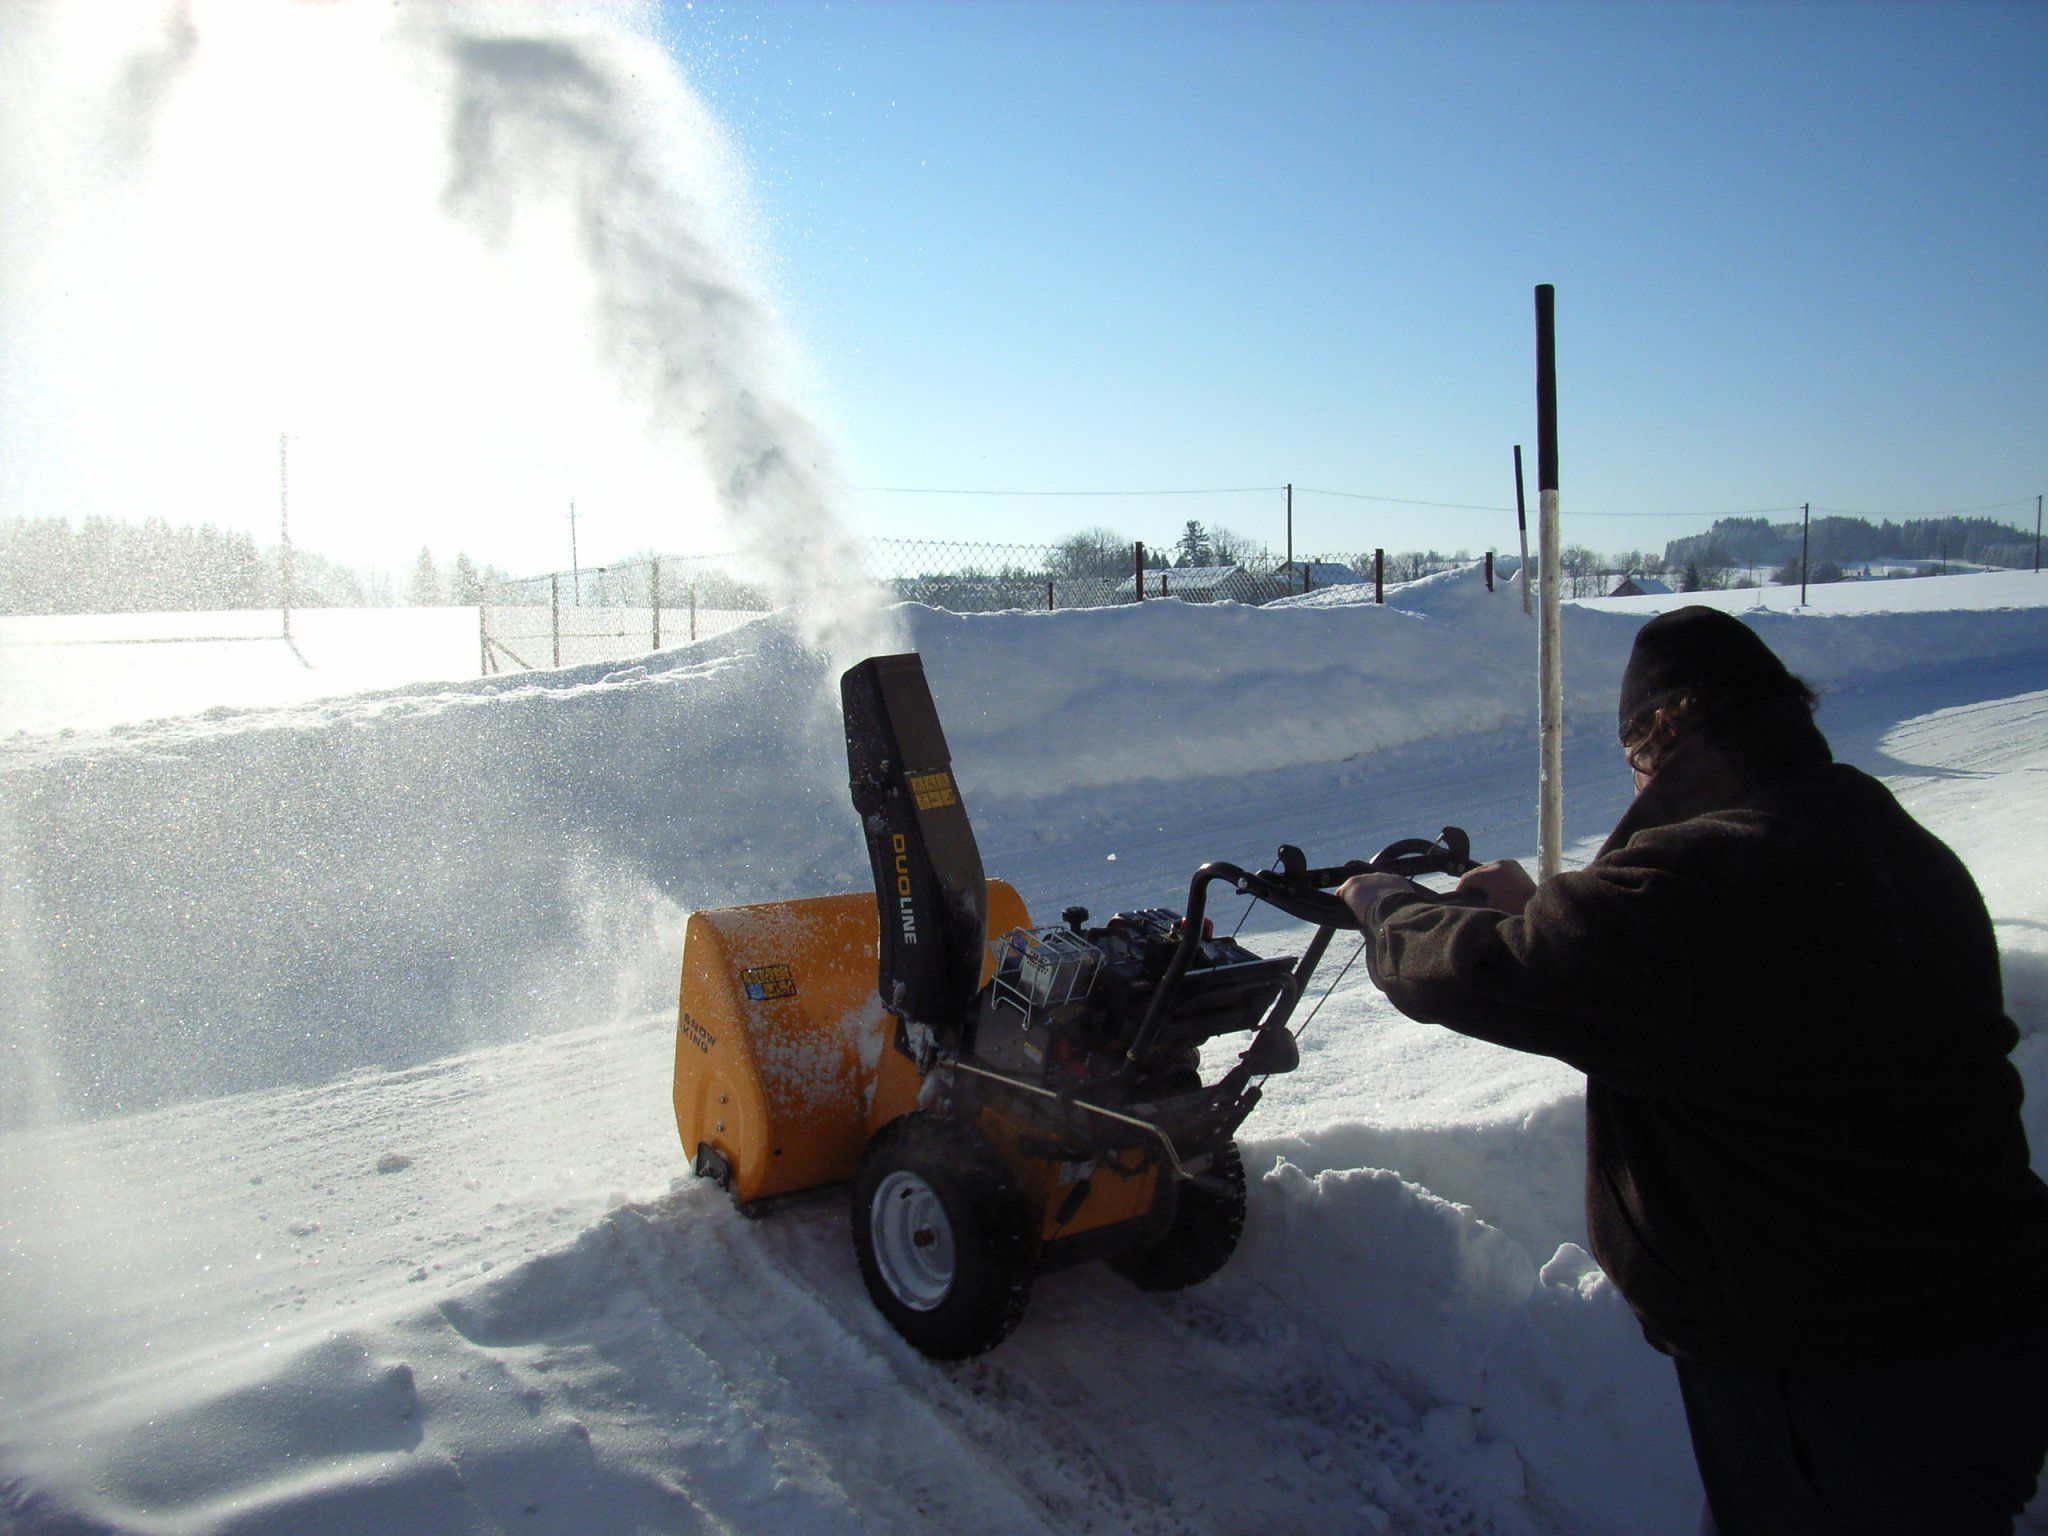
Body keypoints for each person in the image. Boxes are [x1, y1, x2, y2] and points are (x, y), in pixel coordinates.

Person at [1338, 605, 2048, 1535]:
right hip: (1974, 1328)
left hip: (1836, 1370)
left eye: (1636, 760)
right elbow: (1711, 973)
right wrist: (1550, 901)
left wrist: (1385, 906)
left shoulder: (1718, 880)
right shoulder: (1878, 840)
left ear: (1663, 740)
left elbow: (1501, 973)